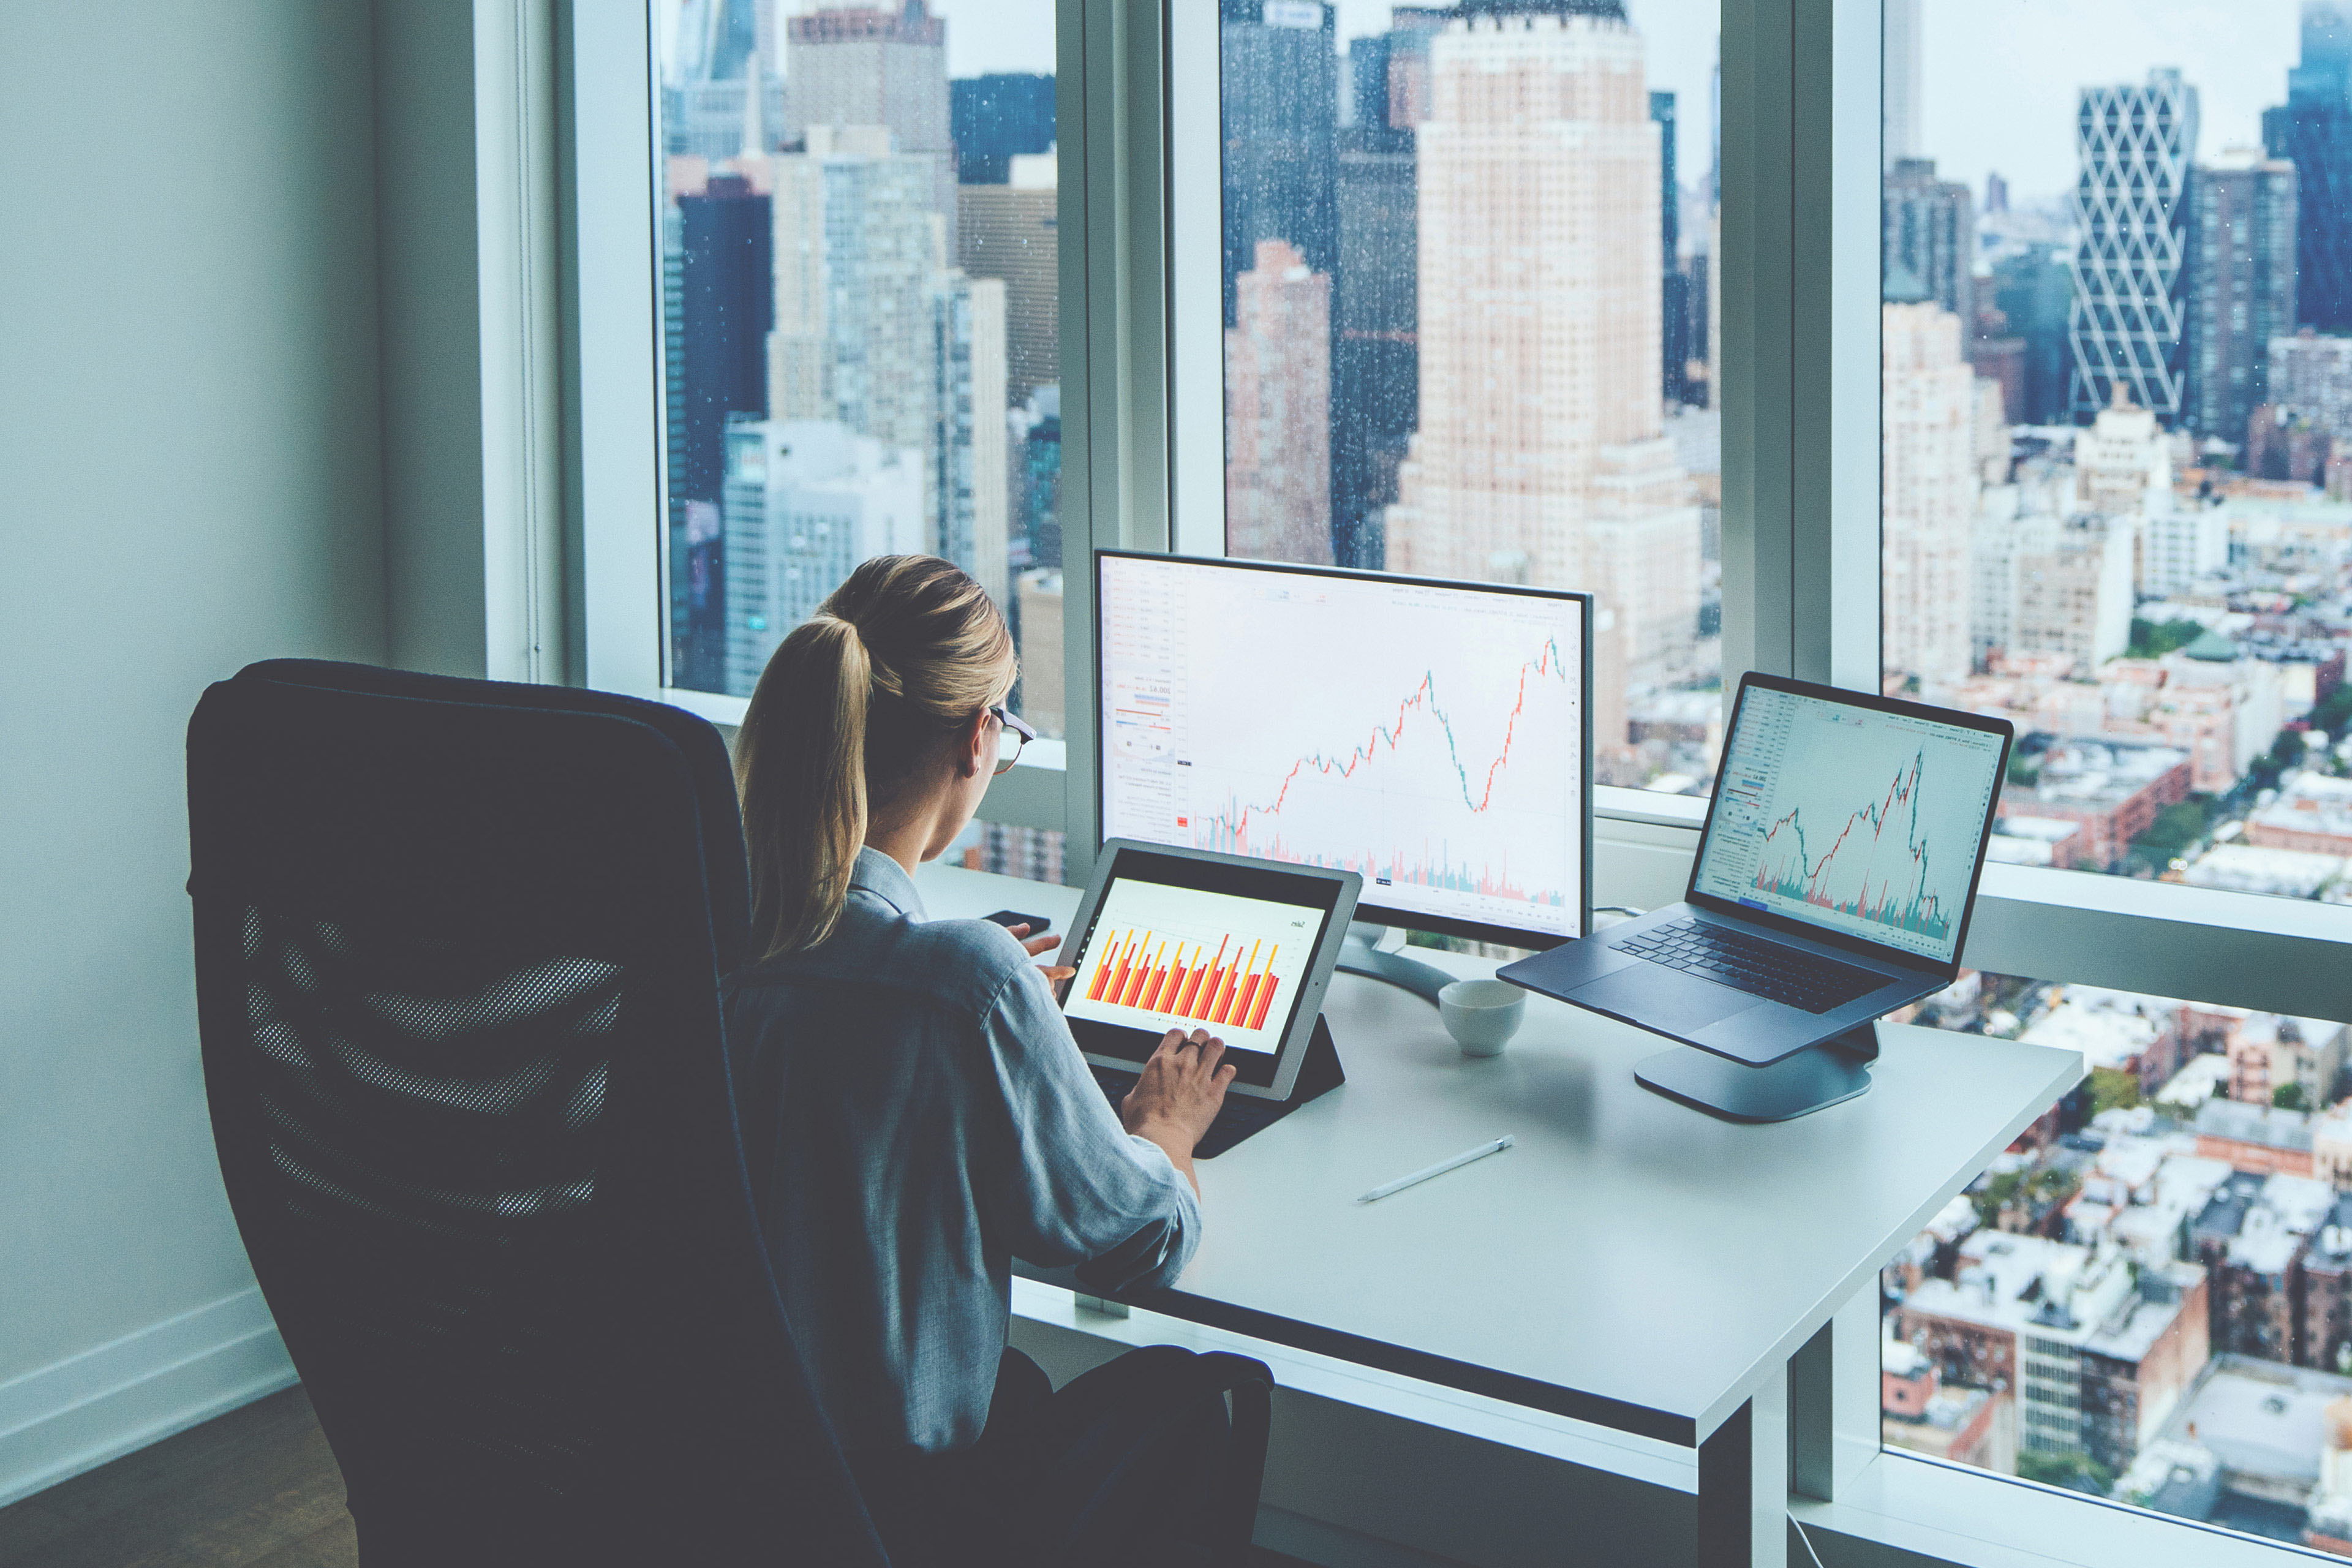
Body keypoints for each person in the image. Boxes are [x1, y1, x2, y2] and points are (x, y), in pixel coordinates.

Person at [722, 554, 1235, 1563]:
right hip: (895, 1512)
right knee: (1208, 1399)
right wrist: (1165, 1132)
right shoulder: (968, 984)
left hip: (724, 1488)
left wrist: (988, 1024)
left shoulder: (712, 931)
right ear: (975, 738)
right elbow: (1137, 1247)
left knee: (1030, 1390)